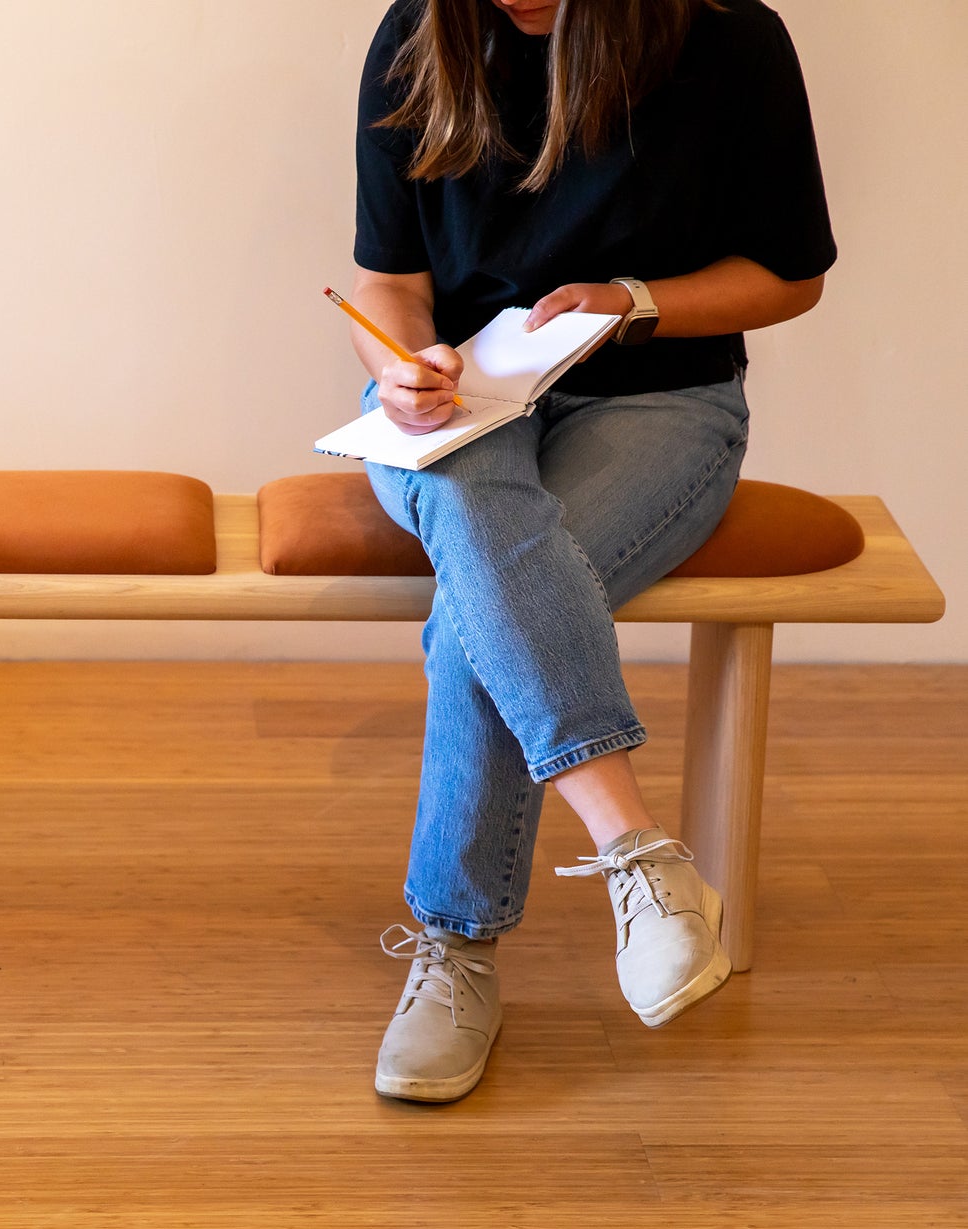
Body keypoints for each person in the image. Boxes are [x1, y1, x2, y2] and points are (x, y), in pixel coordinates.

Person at [349, 0, 835, 1102]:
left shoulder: (727, 36)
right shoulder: (422, 31)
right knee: (481, 526)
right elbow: (386, 274)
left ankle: (457, 948)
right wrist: (399, 362)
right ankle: (641, 859)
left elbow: (792, 274)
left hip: (664, 399)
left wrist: (636, 304)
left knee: (480, 617)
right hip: (462, 397)